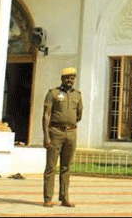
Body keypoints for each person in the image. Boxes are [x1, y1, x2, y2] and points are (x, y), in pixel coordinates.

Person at [42, 67, 83, 207]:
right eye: (67, 78)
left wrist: (68, 125)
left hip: (71, 133)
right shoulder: (53, 93)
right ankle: (48, 198)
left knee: (66, 167)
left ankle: (64, 198)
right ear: (62, 79)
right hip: (55, 132)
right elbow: (46, 115)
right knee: (51, 167)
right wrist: (46, 136)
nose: (69, 80)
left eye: (72, 78)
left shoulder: (77, 95)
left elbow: (79, 115)